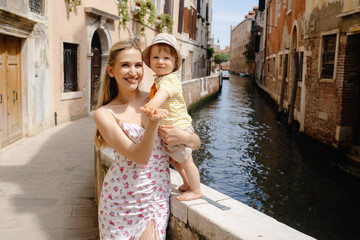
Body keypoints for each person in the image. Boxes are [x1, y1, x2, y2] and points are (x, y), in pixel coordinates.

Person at [94, 40, 201, 240]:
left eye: (137, 65)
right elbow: (140, 157)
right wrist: (152, 123)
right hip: (120, 200)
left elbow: (195, 144)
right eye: (125, 65)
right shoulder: (103, 114)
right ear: (111, 70)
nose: (133, 72)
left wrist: (186, 137)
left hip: (155, 197)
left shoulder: (156, 98)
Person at [141, 33, 203, 201]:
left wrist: (151, 105)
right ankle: (187, 183)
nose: (160, 61)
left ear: (175, 63)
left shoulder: (170, 80)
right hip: (171, 129)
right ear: (150, 62)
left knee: (186, 160)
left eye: (166, 58)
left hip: (179, 128)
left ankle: (196, 190)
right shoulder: (159, 80)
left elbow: (163, 94)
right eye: (156, 57)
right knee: (176, 161)